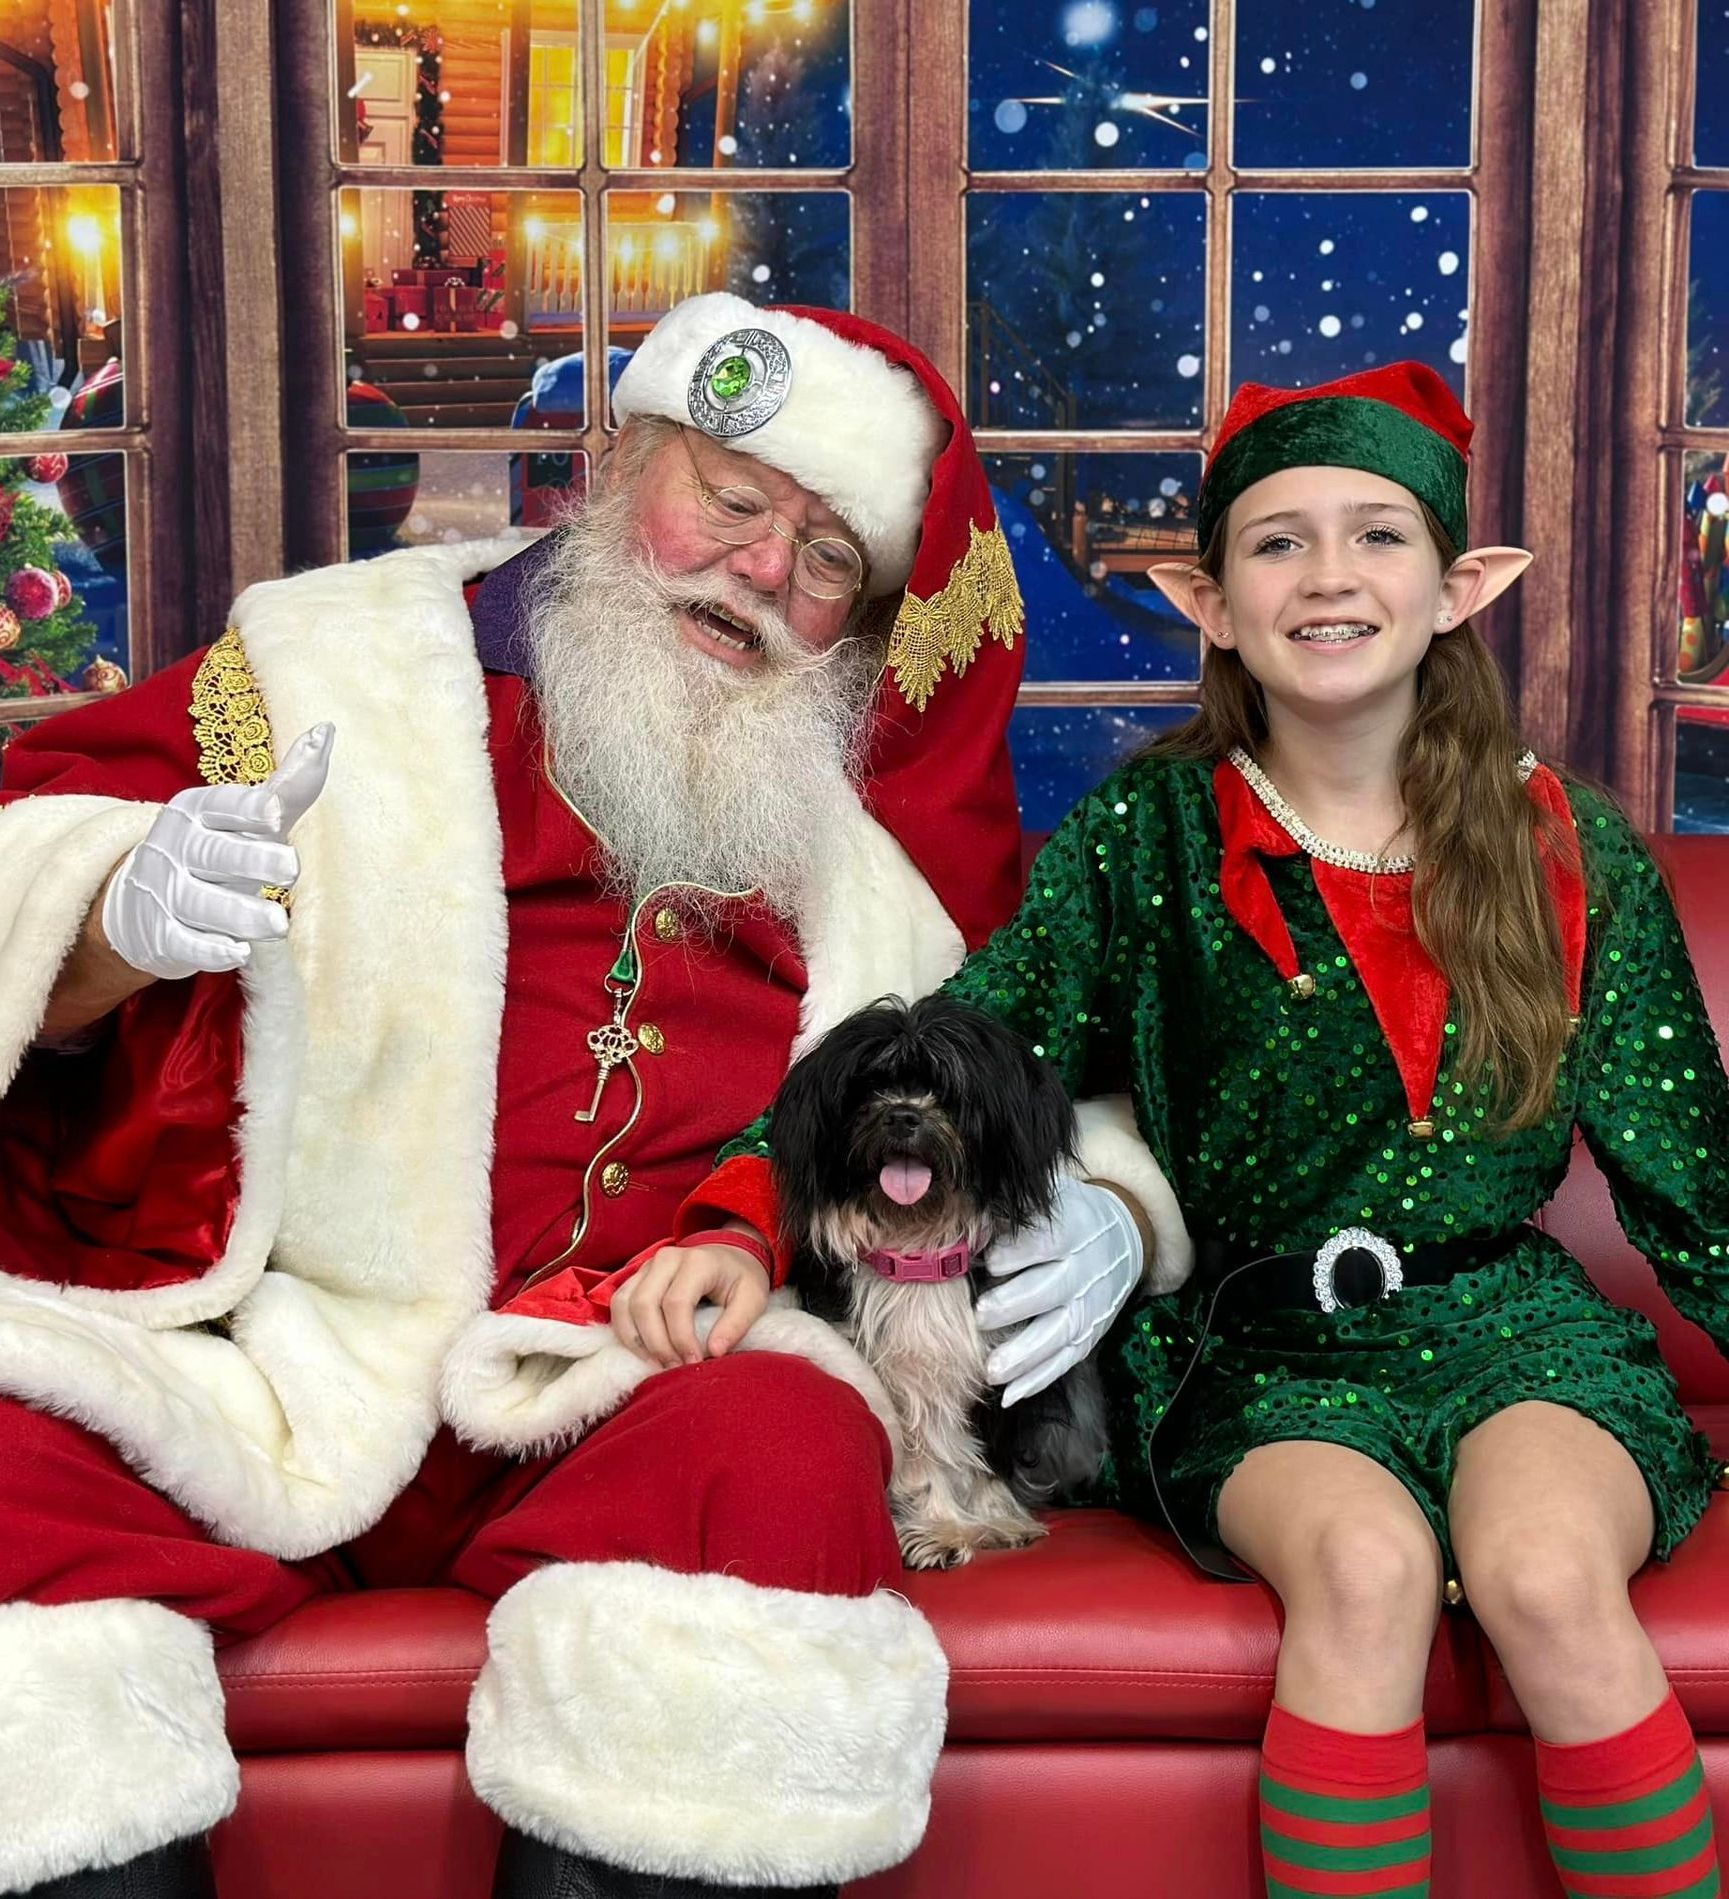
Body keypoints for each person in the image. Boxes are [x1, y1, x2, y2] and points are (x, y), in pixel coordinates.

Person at [0, 294, 1177, 1899]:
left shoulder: (875, 850)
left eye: (824, 562)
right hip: (275, 1345)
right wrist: (115, 913)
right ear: (619, 465)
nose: (755, 573)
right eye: (732, 502)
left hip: (647, 1363)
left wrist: (1107, 1204)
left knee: (790, 1451)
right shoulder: (333, 663)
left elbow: (1045, 1038)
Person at [731, 362, 1729, 1898]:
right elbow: (961, 1053)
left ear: (1461, 586)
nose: (1330, 577)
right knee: (1366, 1567)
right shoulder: (1150, 834)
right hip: (1260, 1347)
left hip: (1512, 1327)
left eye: (1377, 537)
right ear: (1208, 598)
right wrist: (739, 1207)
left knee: (1544, 1574)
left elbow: (1691, 1184)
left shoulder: (1567, 843)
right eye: (1278, 544)